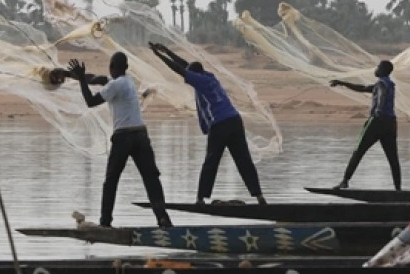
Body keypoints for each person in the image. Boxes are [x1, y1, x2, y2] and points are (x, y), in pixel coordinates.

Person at [148, 42, 267, 205]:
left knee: (211, 161)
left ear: (193, 75)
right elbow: (186, 65)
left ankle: (200, 198)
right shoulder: (209, 76)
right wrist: (167, 50)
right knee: (243, 160)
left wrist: (160, 56)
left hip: (220, 124)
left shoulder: (199, 81)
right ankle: (259, 196)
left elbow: (180, 70)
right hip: (235, 120)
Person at [67, 53, 173, 228]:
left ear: (112, 66)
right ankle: (163, 218)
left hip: (124, 137)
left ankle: (105, 223)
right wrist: (71, 75)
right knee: (151, 179)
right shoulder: (127, 81)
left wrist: (80, 80)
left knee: (111, 181)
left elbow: (91, 101)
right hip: (141, 135)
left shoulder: (115, 85)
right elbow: (97, 78)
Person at [330, 60, 400, 190]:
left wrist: (379, 110)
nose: (376, 69)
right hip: (391, 123)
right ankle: (398, 189)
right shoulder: (389, 84)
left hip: (378, 121)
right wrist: (342, 83)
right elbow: (362, 88)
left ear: (383, 70)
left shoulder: (381, 84)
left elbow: (382, 96)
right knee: (393, 157)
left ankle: (345, 181)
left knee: (359, 151)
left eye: (378, 67)